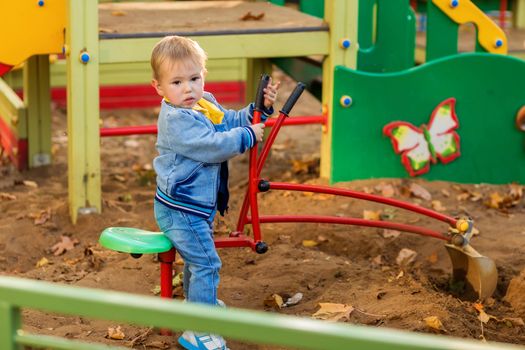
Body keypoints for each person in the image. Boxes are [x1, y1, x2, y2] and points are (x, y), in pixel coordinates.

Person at [150, 35, 279, 350]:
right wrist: (248, 135)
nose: (188, 88)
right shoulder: (176, 120)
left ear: (203, 76)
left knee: (198, 261)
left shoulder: (203, 102)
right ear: (159, 88)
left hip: (197, 204)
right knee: (207, 262)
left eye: (194, 78)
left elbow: (228, 122)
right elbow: (213, 146)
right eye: (177, 82)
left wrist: (257, 110)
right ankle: (199, 328)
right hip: (180, 208)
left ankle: (199, 306)